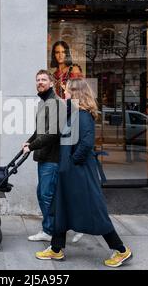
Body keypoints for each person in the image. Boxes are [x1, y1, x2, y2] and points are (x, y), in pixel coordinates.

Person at [35, 78, 133, 268]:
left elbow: (86, 144)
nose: (65, 93)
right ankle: (56, 249)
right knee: (60, 209)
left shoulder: (84, 116)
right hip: (68, 172)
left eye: (68, 91)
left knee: (94, 212)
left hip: (79, 174)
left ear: (77, 93)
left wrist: (71, 163)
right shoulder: (74, 114)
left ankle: (121, 250)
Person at [23, 70, 64, 242]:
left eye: (44, 79)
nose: (40, 82)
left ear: (51, 83)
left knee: (47, 196)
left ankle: (50, 231)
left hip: (52, 159)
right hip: (44, 157)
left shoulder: (54, 103)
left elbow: (53, 133)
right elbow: (40, 130)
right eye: (38, 79)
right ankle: (51, 228)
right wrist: (29, 141)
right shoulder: (45, 102)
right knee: (43, 194)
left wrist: (32, 146)